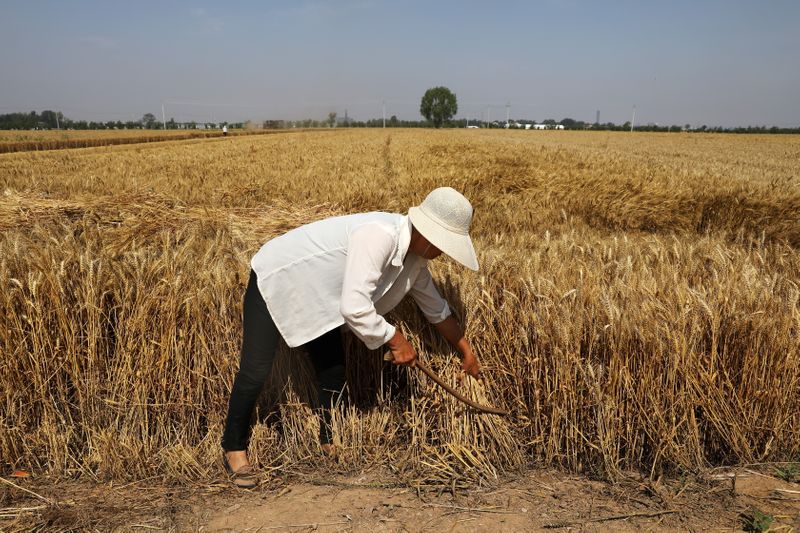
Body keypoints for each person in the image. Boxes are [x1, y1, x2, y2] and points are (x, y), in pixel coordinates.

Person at [221, 187, 481, 488]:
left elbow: (436, 310)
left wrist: (465, 350)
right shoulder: (379, 235)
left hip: (321, 296)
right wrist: (396, 339)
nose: (444, 252)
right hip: (279, 277)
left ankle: (328, 440)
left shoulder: (415, 262)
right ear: (427, 233)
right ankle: (233, 446)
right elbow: (355, 306)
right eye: (444, 244)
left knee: (333, 371)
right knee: (256, 370)